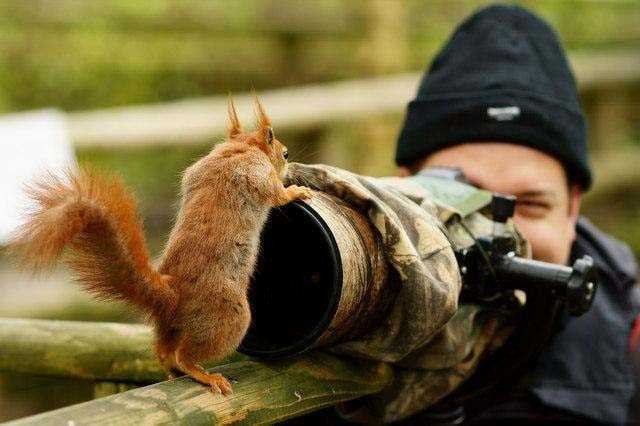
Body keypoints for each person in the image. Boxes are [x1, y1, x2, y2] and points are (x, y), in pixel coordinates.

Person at [395, 4, 639, 423]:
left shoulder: (631, 359)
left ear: (572, 209)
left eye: (527, 205)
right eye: (461, 199)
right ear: (400, 190)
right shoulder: (322, 331)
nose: (495, 236)